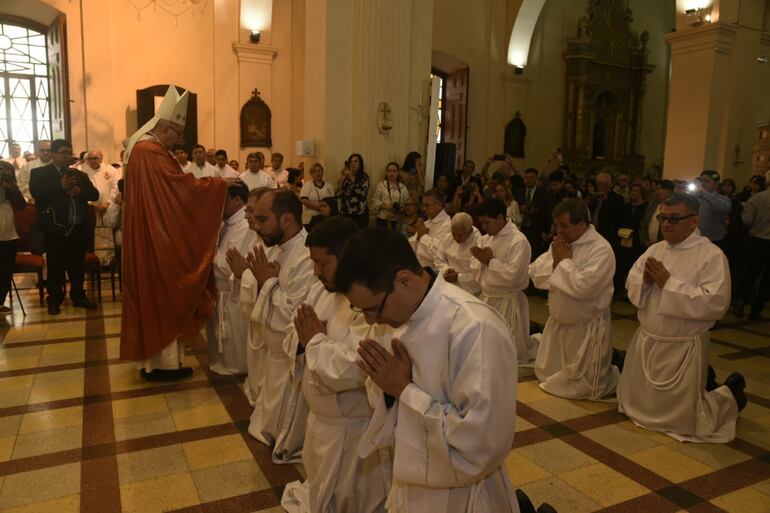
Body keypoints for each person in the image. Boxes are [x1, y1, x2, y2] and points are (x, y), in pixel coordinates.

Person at [337, 228, 519, 512]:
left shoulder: (474, 328)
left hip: (460, 496)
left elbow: (480, 443)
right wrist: (388, 392)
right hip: (409, 486)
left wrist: (404, 390)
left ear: (404, 280)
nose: (372, 320)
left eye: (374, 308)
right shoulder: (392, 319)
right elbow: (382, 399)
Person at [280, 217, 390, 513]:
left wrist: (314, 340)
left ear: (347, 256)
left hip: (352, 432)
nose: (316, 272)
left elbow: (352, 366)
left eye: (323, 263)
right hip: (319, 423)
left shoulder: (370, 300)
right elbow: (294, 331)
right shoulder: (322, 290)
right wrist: (309, 341)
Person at [120, 85, 229, 380]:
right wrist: (217, 186)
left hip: (150, 232)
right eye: (177, 134)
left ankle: (152, 362)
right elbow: (179, 190)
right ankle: (163, 365)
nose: (179, 141)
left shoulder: (140, 150)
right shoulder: (151, 152)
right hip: (158, 238)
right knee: (165, 293)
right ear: (165, 129)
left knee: (153, 296)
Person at [618, 194, 746, 442]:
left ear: (694, 221)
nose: (666, 224)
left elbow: (715, 303)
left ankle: (732, 395)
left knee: (683, 420)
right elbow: (632, 282)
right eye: (663, 218)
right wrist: (643, 282)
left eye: (674, 219)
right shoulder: (655, 250)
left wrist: (669, 283)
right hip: (649, 340)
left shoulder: (711, 255)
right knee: (641, 405)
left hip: (682, 346)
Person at [239, 189, 314, 463]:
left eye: (262, 219)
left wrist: (266, 282)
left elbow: (296, 314)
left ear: (287, 220)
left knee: (282, 419)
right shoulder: (278, 249)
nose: (256, 226)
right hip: (274, 353)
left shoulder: (306, 256)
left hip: (288, 354)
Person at [529, 198, 619, 400]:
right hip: (559, 323)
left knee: (580, 387)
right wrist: (558, 264)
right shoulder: (562, 243)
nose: (559, 231)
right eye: (557, 225)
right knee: (548, 377)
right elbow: (534, 273)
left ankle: (611, 375)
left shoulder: (601, 249)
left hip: (585, 327)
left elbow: (584, 287)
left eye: (564, 226)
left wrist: (563, 263)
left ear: (582, 224)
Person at [29, 139, 99, 314]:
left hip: (78, 227)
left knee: (77, 266)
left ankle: (78, 296)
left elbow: (95, 194)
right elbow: (37, 193)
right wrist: (60, 187)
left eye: (70, 152)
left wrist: (80, 192)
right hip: (55, 228)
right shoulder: (40, 173)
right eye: (64, 152)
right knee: (56, 267)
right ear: (53, 154)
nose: (68, 156)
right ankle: (54, 299)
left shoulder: (79, 175)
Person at [472, 198, 537, 365]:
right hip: (487, 298)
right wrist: (479, 261)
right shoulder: (486, 239)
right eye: (482, 223)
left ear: (501, 217)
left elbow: (515, 274)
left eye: (487, 222)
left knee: (506, 354)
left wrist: (490, 262)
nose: (484, 228)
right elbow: (473, 266)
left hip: (508, 301)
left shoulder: (518, 241)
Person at [206, 181, 256, 376]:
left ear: (237, 200)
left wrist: (206, 259)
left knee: (234, 337)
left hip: (232, 291)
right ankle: (222, 363)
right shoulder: (225, 223)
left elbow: (230, 263)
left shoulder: (244, 226)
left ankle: (236, 366)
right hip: (220, 291)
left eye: (223, 199)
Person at [733, 183, 770, 319]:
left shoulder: (757, 198)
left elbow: (746, 220)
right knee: (767, 280)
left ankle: (740, 302)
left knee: (749, 274)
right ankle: (756, 310)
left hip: (757, 242)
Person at [0, 161, 26, 315]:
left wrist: (11, 187)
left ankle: (0, 302)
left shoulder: (10, 187)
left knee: (6, 271)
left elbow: (21, 205)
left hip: (9, 234)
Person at [434, 212, 481, 296]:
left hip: (470, 291)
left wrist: (459, 277)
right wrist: (446, 270)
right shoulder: (448, 237)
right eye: (453, 234)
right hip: (449, 284)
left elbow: (479, 274)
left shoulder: (479, 242)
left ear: (470, 231)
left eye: (460, 235)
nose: (456, 238)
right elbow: (438, 258)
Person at [409, 188, 451, 270]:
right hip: (417, 266)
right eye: (423, 205)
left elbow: (439, 254)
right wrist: (418, 237)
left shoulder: (447, 225)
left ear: (438, 205)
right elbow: (411, 246)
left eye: (427, 205)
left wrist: (423, 236)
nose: (424, 209)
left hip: (433, 271)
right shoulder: (426, 223)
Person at [693, 170, 731, 248]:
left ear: (716, 184)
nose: (702, 183)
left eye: (706, 181)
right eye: (701, 181)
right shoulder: (695, 197)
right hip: (696, 237)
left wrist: (705, 193)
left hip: (714, 239)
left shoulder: (723, 199)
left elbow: (724, 208)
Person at [518, 167, 549, 260]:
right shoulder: (519, 191)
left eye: (531, 178)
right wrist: (521, 207)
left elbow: (545, 211)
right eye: (526, 178)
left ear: (536, 179)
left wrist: (534, 210)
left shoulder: (543, 192)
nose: (528, 180)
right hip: (521, 226)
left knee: (534, 253)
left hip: (535, 227)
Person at [372, 162, 409, 229]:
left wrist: (400, 208)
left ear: (398, 173)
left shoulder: (403, 188)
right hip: (383, 218)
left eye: (394, 171)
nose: (392, 173)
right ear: (386, 173)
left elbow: (407, 203)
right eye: (389, 171)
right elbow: (375, 201)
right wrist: (386, 206)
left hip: (398, 219)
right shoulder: (381, 186)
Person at [639, 179, 675, 248]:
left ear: (670, 190)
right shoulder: (652, 206)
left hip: (665, 246)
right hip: (648, 245)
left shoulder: (674, 207)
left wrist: (658, 243)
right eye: (657, 189)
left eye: (661, 189)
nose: (658, 191)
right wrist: (645, 240)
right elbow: (644, 224)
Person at [299, 162, 335, 229]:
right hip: (309, 219)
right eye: (314, 171)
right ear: (311, 174)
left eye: (319, 170)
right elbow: (303, 200)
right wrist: (318, 207)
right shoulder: (307, 185)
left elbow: (332, 202)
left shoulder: (329, 186)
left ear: (322, 172)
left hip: (325, 219)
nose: (318, 173)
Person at [338, 153, 370, 228]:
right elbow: (339, 194)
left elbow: (363, 192)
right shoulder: (345, 177)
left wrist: (351, 177)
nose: (353, 164)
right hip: (346, 213)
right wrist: (341, 181)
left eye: (356, 161)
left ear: (360, 164)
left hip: (360, 214)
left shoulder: (364, 176)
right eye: (351, 162)